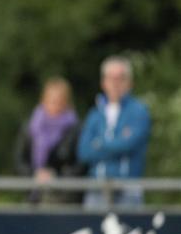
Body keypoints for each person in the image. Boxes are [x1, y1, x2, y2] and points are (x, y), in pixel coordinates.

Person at [77, 56, 150, 208]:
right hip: (97, 188)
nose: (115, 83)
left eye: (121, 78)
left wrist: (100, 144)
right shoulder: (95, 113)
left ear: (130, 83)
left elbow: (129, 145)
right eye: (111, 78)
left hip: (128, 188)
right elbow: (84, 152)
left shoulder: (139, 111)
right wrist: (117, 142)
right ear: (103, 83)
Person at [14, 77, 85, 204]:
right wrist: (34, 175)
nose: (55, 105)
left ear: (66, 102)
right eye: (51, 101)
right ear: (43, 100)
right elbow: (20, 160)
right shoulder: (31, 127)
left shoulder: (75, 129)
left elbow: (80, 163)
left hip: (64, 197)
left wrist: (56, 177)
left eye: (59, 101)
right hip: (34, 195)